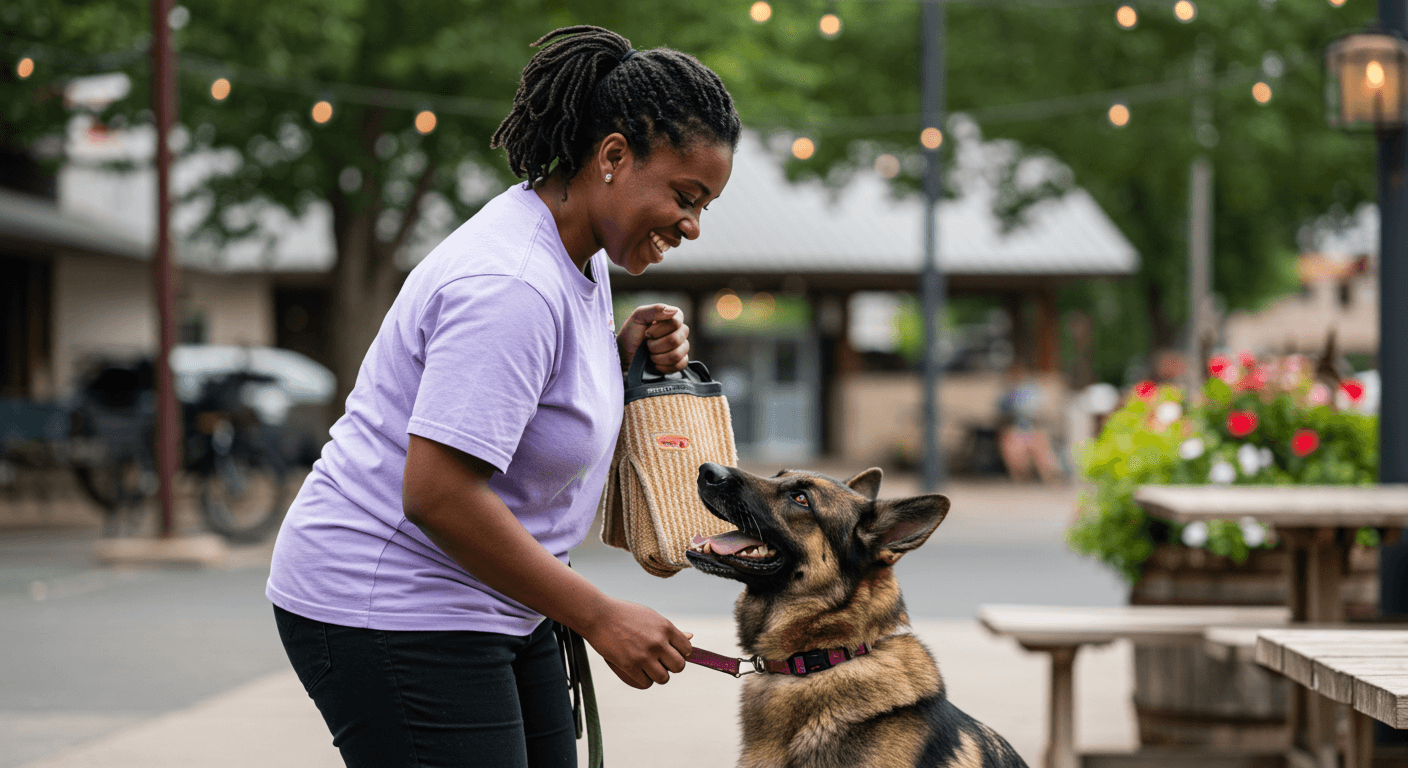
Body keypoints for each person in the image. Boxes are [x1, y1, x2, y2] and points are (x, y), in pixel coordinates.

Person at [265, 25, 740, 768]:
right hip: (390, 601)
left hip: (498, 599)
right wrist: (600, 616)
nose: (693, 224)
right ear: (612, 156)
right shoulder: (511, 284)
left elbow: (529, 404)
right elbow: (438, 493)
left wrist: (618, 357)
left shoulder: (577, 250)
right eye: (685, 196)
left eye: (705, 204)